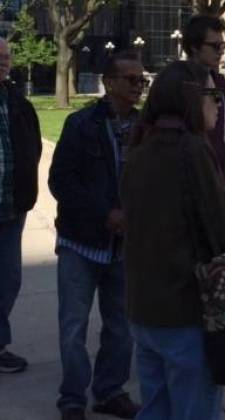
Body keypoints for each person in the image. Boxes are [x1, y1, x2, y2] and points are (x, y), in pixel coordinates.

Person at [121, 60, 225, 420]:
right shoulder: (191, 149)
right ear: (192, 98)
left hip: (144, 308)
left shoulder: (141, 146)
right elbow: (224, 228)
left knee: (156, 408)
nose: (219, 103)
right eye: (213, 95)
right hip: (183, 310)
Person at [48, 51, 143, 420]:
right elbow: (62, 182)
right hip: (80, 242)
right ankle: (72, 398)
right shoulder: (81, 124)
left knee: (122, 327)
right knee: (73, 326)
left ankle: (109, 391)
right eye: (131, 79)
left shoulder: (144, 128)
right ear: (109, 82)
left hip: (124, 248)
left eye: (142, 80)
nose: (139, 86)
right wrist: (106, 214)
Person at [0, 37, 42, 374]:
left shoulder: (17, 101)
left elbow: (33, 147)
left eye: (6, 57)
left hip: (12, 207)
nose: (4, 61)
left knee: (9, 278)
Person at [182, 14, 225, 198]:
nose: (221, 51)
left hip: (221, 194)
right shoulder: (173, 87)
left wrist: (224, 182)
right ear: (194, 47)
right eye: (215, 46)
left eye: (223, 45)